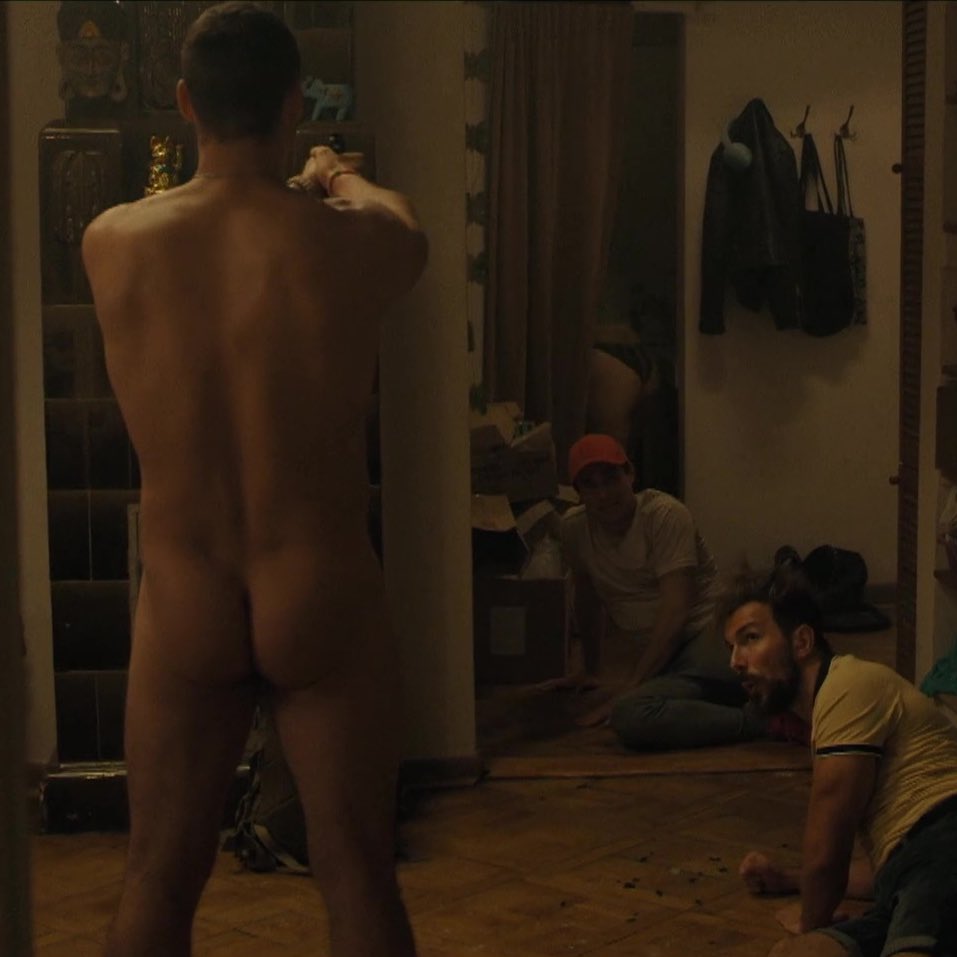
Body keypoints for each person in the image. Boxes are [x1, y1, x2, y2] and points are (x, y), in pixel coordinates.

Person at [80, 4, 427, 956]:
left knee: (157, 876)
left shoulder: (113, 240)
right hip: (318, 584)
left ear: (185, 101)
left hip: (186, 591)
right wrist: (336, 175)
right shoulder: (351, 239)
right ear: (294, 103)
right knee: (356, 872)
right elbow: (406, 225)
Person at [721, 566, 957, 957]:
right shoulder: (829, 713)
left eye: (750, 638)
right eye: (731, 646)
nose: (735, 661)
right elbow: (884, 861)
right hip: (905, 877)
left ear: (802, 641)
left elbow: (828, 849)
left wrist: (810, 922)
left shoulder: (847, 685)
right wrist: (789, 879)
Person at [544, 433, 765, 750]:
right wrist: (590, 669)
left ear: (630, 474)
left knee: (633, 712)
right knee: (638, 708)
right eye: (590, 485)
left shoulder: (664, 515)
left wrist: (632, 687)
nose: (604, 494)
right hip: (666, 656)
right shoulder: (574, 528)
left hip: (705, 637)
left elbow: (676, 612)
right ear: (578, 493)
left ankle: (759, 720)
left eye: (611, 478)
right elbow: (586, 596)